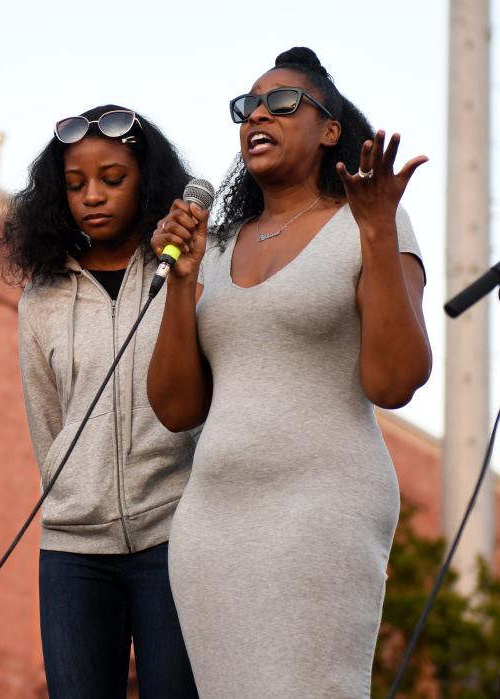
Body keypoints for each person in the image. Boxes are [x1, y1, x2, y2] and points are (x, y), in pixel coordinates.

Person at [147, 47, 431, 697]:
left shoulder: (370, 224)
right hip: (213, 521)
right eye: (247, 107)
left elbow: (396, 379)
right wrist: (182, 282)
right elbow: (175, 407)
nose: (257, 117)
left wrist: (380, 233)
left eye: (281, 103)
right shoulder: (212, 247)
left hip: (322, 506)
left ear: (331, 128)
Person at [0, 105, 199, 698]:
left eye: (112, 179)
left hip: (175, 533)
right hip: (73, 550)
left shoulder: (189, 271)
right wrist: (74, 496)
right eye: (76, 184)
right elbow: (48, 422)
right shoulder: (41, 298)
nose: (93, 196)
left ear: (148, 182)